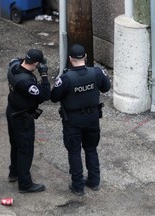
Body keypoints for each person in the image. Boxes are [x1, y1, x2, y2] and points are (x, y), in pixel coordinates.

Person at [51, 44, 111, 196]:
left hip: (73, 120)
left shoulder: (65, 79)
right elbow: (106, 87)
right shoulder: (96, 73)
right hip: (92, 118)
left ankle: (78, 186)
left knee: (74, 152)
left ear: (70, 59)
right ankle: (94, 181)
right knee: (91, 149)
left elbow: (54, 97)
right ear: (85, 57)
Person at [6, 48, 50, 193]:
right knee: (25, 149)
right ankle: (25, 184)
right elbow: (44, 95)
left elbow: (15, 59)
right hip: (22, 117)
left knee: (15, 144)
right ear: (36, 63)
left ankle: (14, 173)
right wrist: (44, 75)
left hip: (12, 110)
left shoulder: (14, 66)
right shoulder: (26, 82)